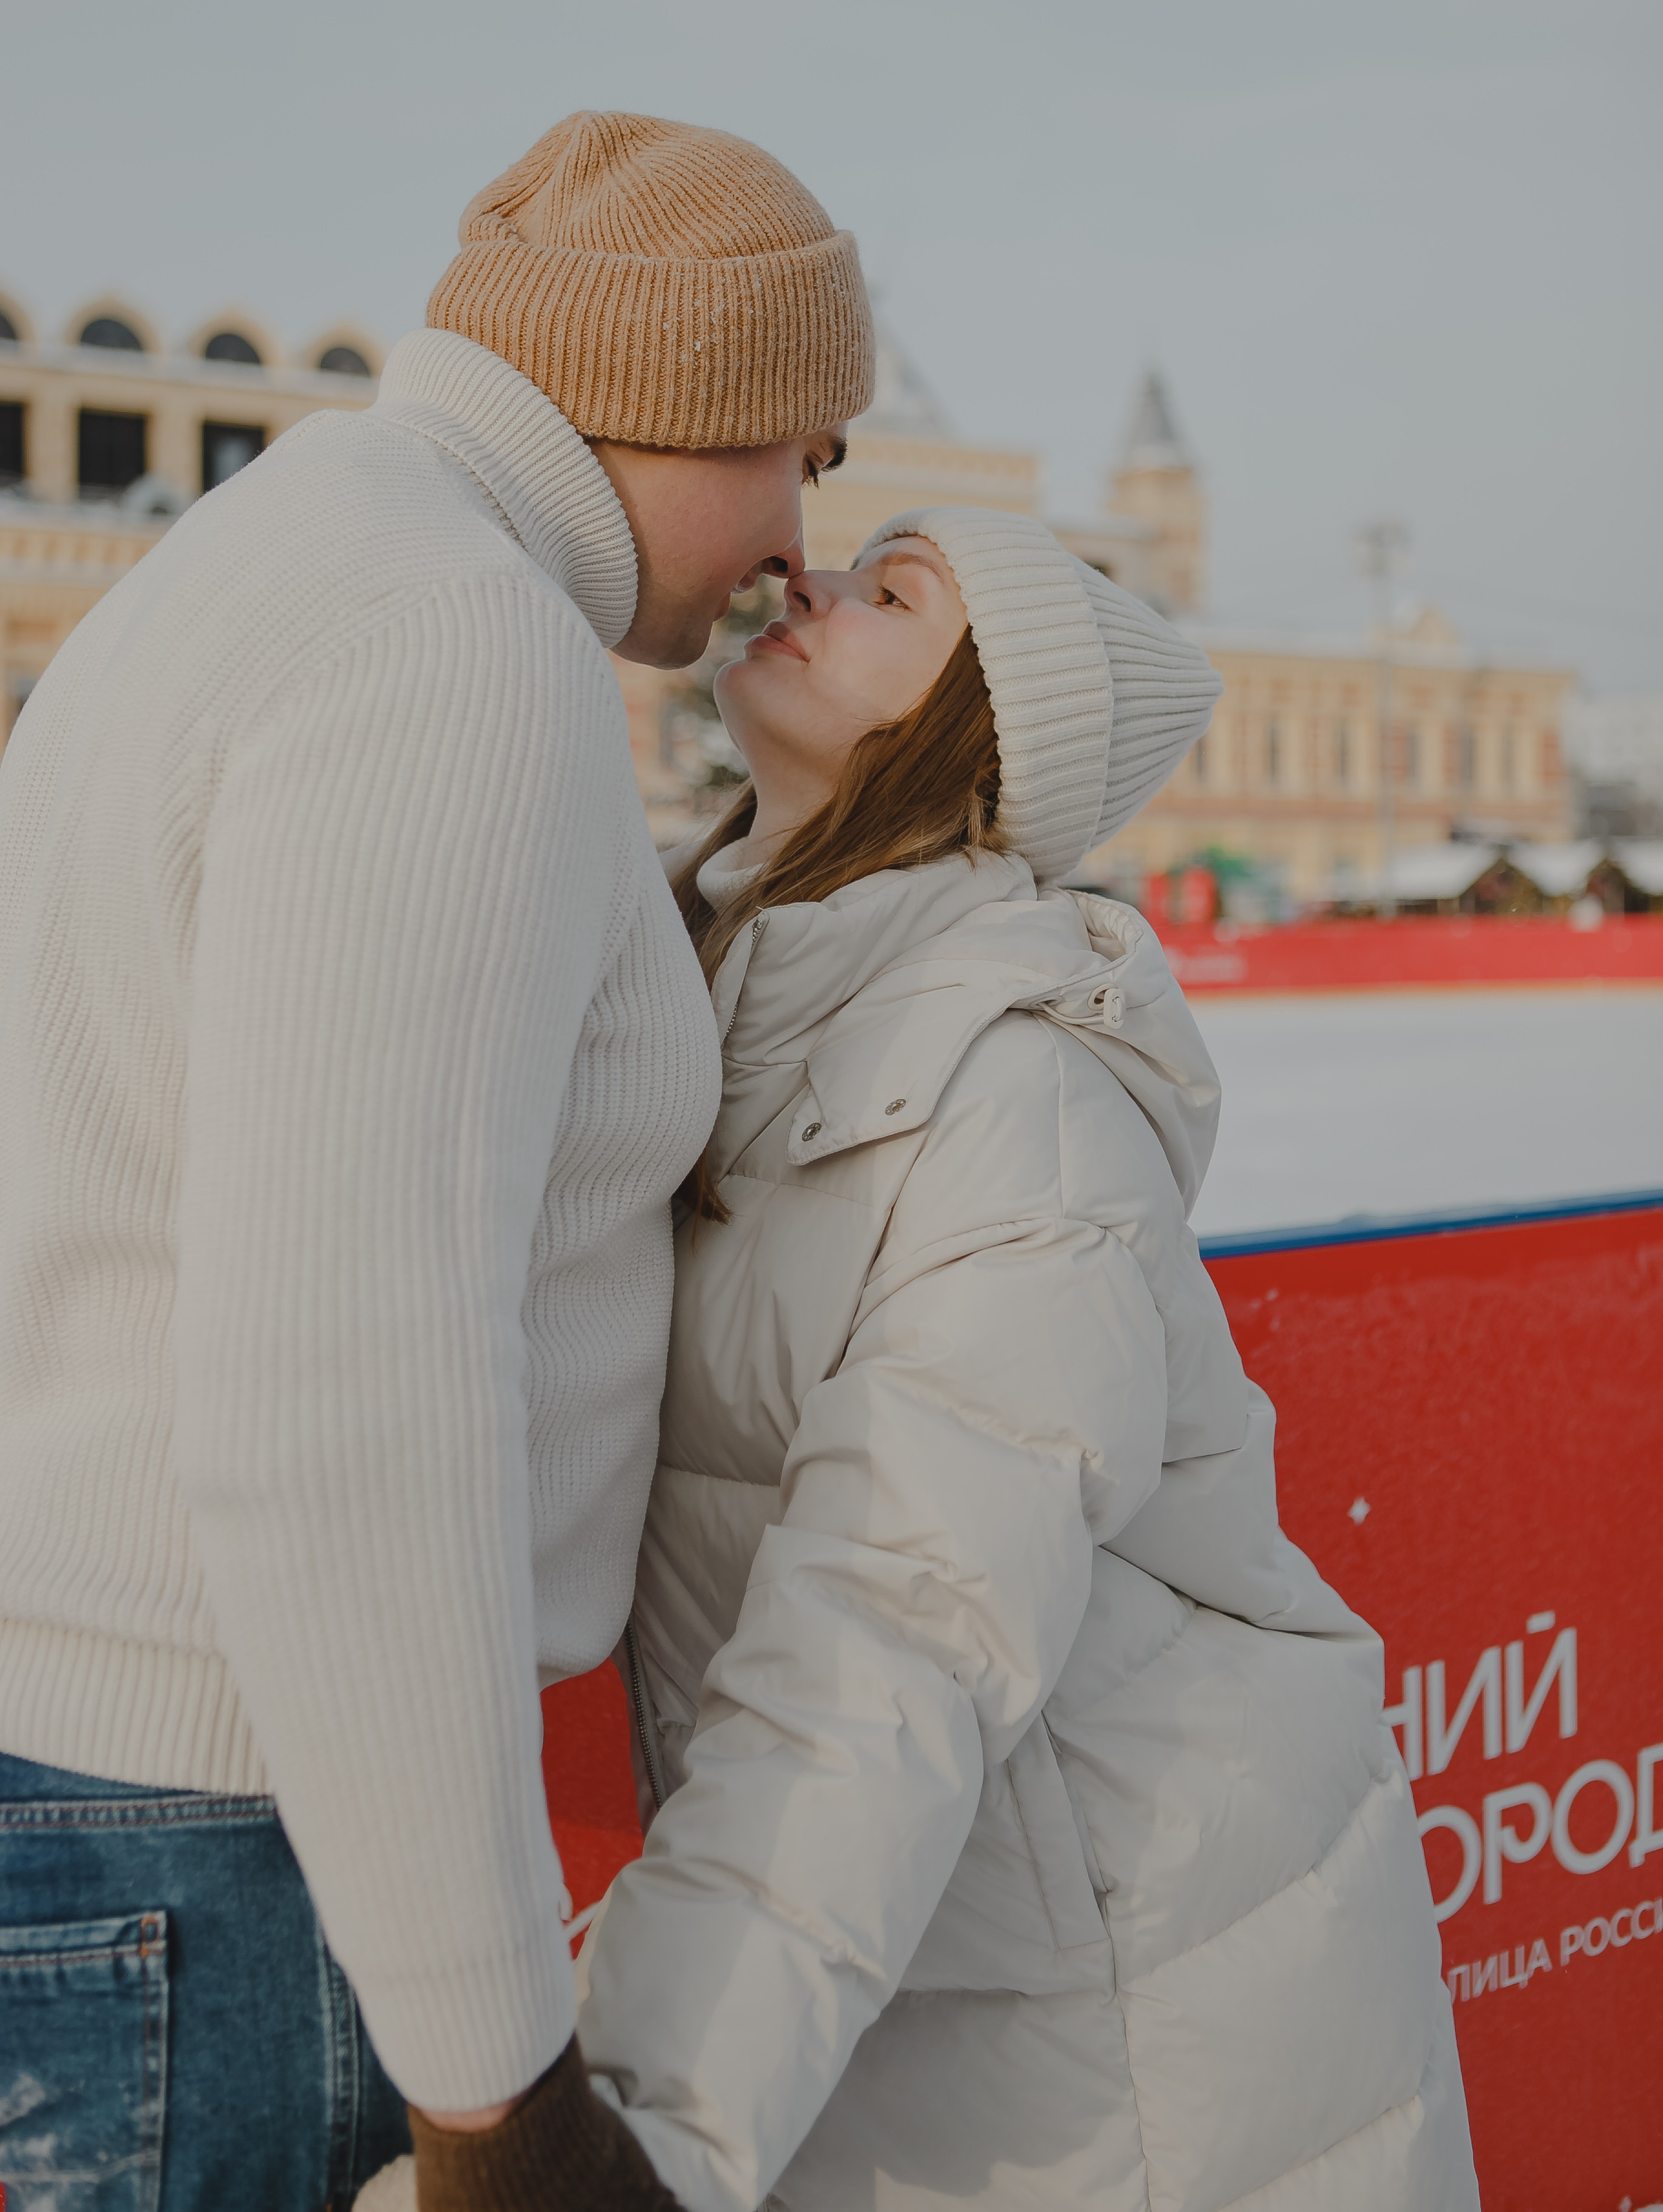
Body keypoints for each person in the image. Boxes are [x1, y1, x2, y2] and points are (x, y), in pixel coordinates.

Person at [0, 112, 872, 2211]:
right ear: (700, 400)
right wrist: (496, 2089)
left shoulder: (285, 551)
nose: (804, 530)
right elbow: (339, 1397)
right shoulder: (447, 637)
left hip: (139, 1811)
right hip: (230, 1840)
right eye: (811, 447)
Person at [570, 507, 1481, 2209]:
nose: (807, 581)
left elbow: (898, 1626)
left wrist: (633, 2130)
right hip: (931, 1986)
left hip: (1127, 2051)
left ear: (977, 736)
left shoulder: (1009, 1102)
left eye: (889, 594)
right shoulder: (715, 1018)